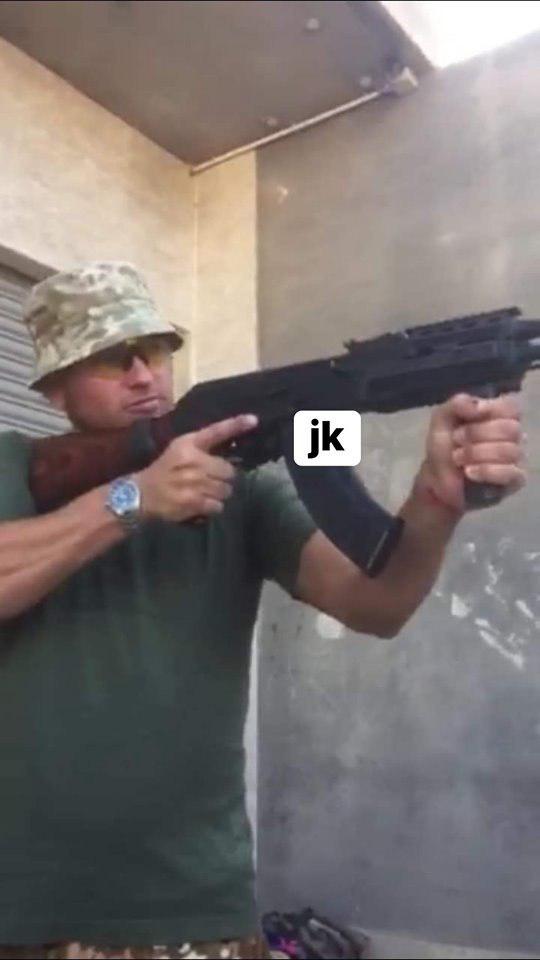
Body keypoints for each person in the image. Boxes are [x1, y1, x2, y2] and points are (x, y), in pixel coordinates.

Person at [0, 262, 525, 960]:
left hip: (194, 906)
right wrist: (133, 499)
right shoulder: (15, 465)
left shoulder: (245, 487)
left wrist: (435, 500)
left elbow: (376, 604)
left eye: (155, 351)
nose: (144, 376)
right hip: (23, 908)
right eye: (111, 359)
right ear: (55, 388)